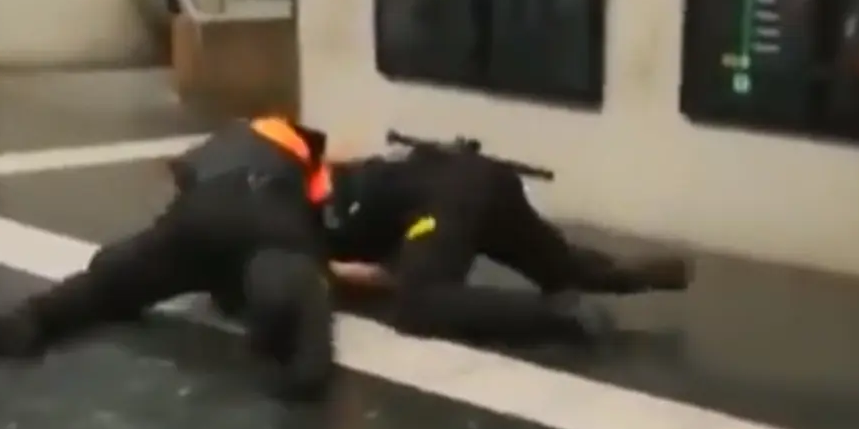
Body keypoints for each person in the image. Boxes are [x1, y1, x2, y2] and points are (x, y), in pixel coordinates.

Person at [0, 116, 338, 401]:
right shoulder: (307, 154)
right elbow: (324, 217)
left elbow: (183, 178)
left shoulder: (231, 136)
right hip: (266, 222)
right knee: (291, 281)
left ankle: (28, 321)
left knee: (111, 277)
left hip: (197, 220)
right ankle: (301, 364)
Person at [263, 143, 692, 343]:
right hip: (477, 177)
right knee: (556, 265)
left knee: (418, 304)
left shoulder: (294, 223)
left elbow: (371, 277)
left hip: (442, 205)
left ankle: (560, 314)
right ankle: (631, 274)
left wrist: (332, 274)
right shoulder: (321, 177)